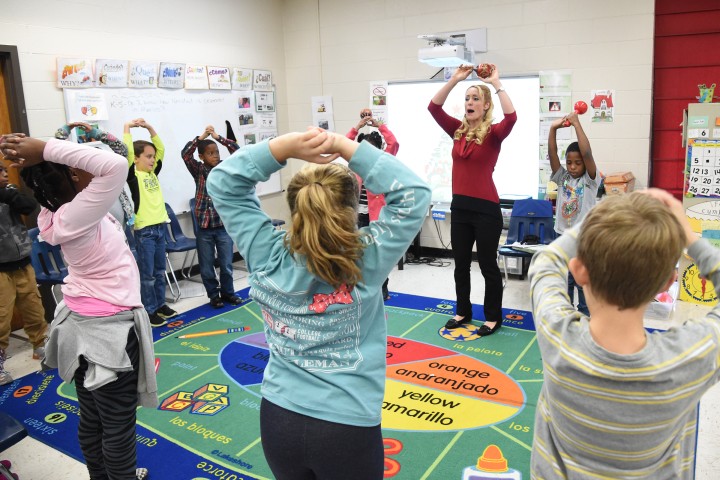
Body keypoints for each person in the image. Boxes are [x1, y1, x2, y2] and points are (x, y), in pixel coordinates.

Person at [207, 128, 431, 480]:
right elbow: (415, 194)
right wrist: (345, 145)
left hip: (279, 418)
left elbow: (222, 182)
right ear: (349, 209)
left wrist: (282, 147)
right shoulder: (366, 255)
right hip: (347, 425)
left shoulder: (264, 250)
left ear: (294, 207)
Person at [528, 188, 720, 478]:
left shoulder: (558, 336)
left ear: (579, 270)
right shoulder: (688, 358)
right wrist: (689, 236)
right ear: (667, 282)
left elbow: (545, 262)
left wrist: (591, 217)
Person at [0, 133, 157, 480]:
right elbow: (116, 164)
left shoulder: (54, 212)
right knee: (117, 422)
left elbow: (111, 156)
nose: (90, 162)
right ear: (73, 174)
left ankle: (103, 476)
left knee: (94, 416)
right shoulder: (78, 213)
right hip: (108, 332)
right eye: (81, 160)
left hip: (83, 324)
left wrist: (39, 160)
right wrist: (43, 150)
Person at [428, 63, 517, 335]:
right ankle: (462, 311)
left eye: (475, 98)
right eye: (467, 98)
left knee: (488, 266)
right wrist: (455, 79)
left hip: (486, 210)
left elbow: (512, 118)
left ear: (486, 105)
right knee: (461, 266)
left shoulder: (493, 134)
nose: (470, 102)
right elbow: (433, 108)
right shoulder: (457, 130)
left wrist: (496, 83)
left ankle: (492, 317)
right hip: (461, 208)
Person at [181, 125, 242, 308]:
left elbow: (237, 152)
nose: (215, 156)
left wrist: (218, 138)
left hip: (223, 226)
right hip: (204, 228)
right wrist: (201, 137)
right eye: (210, 153)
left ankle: (228, 293)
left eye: (216, 152)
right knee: (207, 266)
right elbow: (185, 154)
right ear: (201, 156)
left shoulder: (224, 168)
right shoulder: (198, 170)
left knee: (226, 264)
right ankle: (214, 296)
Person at [124, 118, 177, 327]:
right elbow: (127, 152)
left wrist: (149, 129)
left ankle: (161, 304)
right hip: (145, 230)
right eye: (148, 157)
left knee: (159, 271)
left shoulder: (153, 173)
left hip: (160, 227)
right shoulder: (133, 175)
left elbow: (161, 149)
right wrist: (127, 128)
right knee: (147, 275)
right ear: (135, 159)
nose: (153, 160)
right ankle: (149, 309)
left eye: (153, 157)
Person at [0, 163, 47, 385]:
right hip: (1, 270)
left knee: (34, 308)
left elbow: (28, 205)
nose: (3, 175)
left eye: (3, 171)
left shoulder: (9, 192)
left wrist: (6, 193)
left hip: (22, 263)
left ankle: (40, 346)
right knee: (1, 317)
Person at [548, 111, 598, 316]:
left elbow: (587, 153)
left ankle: (585, 316)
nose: (573, 166)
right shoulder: (562, 177)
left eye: (577, 163)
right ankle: (565, 316)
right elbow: (552, 155)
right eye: (569, 162)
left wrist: (577, 124)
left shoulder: (590, 180)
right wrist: (553, 129)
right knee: (564, 280)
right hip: (561, 236)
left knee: (581, 281)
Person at [346, 108, 399, 300]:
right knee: (362, 253)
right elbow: (343, 144)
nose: (366, 153)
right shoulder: (356, 163)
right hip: (360, 216)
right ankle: (365, 287)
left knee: (379, 254)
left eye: (371, 149)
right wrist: (357, 127)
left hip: (378, 216)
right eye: (364, 150)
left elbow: (393, 143)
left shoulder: (383, 162)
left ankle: (382, 288)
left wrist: (379, 125)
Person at [55, 121, 135, 227]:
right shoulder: (81, 184)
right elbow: (54, 155)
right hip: (98, 235)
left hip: (123, 229)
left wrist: (95, 133)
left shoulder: (113, 177)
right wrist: (65, 130)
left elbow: (122, 149)